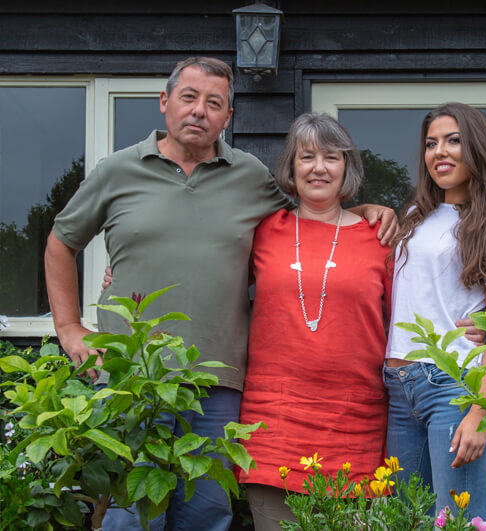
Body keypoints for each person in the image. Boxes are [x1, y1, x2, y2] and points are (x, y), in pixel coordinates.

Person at [44, 57, 397, 530]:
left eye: (214, 103)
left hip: (218, 386)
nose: (199, 111)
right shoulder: (117, 170)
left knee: (207, 516)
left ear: (228, 117)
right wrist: (69, 329)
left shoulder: (249, 176)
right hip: (130, 379)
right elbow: (61, 243)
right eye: (189, 97)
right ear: (165, 102)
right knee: (129, 517)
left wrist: (367, 210)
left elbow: (310, 221)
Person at [235, 113, 391, 530]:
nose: (319, 167)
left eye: (331, 157)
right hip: (275, 427)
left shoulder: (381, 239)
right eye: (306, 156)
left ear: (348, 168)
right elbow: (211, 276)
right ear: (291, 167)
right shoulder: (264, 231)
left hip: (354, 426)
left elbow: (410, 315)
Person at [384, 102, 486, 523]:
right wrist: (364, 210)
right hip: (400, 387)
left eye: (453, 140)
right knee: (402, 520)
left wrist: (481, 413)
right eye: (431, 143)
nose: (439, 152)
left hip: (453, 387)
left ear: (478, 148)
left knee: (457, 522)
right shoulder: (417, 215)